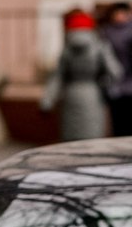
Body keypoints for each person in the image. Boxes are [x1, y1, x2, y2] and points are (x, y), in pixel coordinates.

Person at [41, 9, 122, 141]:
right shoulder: (100, 46)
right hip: (93, 95)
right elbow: (116, 72)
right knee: (93, 139)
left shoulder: (66, 49)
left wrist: (47, 101)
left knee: (71, 141)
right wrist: (104, 84)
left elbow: (57, 77)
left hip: (70, 96)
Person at [99, 2, 132, 136]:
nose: (119, 16)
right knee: (117, 116)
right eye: (117, 13)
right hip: (114, 81)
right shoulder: (106, 32)